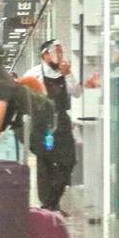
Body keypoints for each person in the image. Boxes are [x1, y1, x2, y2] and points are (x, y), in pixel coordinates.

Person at [24, 40, 83, 209]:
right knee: (45, 163)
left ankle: (52, 201)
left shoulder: (65, 73)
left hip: (62, 123)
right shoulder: (34, 74)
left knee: (68, 161)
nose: (60, 55)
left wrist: (69, 75)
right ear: (45, 55)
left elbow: (77, 93)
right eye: (56, 52)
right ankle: (49, 204)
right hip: (43, 125)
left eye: (61, 51)